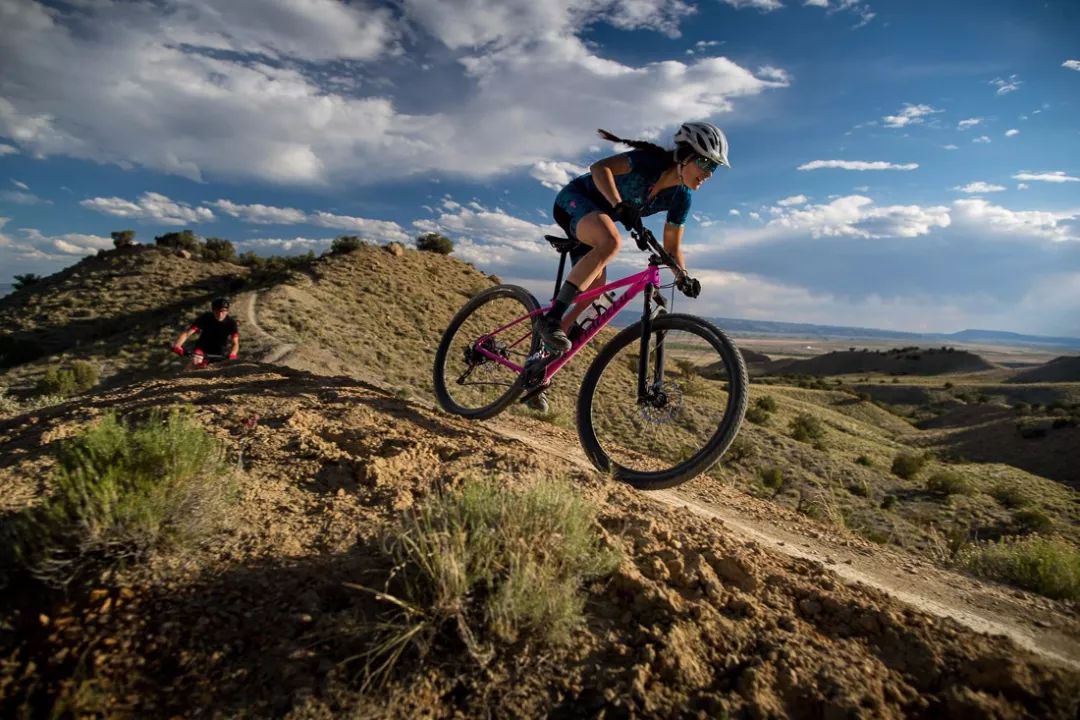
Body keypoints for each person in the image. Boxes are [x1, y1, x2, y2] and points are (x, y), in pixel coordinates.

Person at [524, 121, 728, 411]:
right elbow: (599, 169)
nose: (708, 173)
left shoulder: (681, 198)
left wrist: (683, 276)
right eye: (705, 162)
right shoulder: (648, 163)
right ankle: (551, 319)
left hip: (596, 226)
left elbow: (672, 247)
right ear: (685, 157)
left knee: (594, 295)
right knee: (611, 242)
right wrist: (618, 205)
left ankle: (539, 366)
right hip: (575, 201)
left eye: (714, 168)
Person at [172, 296, 239, 367]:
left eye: (223, 311)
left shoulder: (231, 323)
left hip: (219, 353)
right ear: (213, 310)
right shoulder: (206, 318)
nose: (220, 314)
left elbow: (235, 343)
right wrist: (178, 345)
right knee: (196, 362)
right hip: (202, 348)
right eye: (217, 311)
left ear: (227, 311)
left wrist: (233, 353)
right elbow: (187, 333)